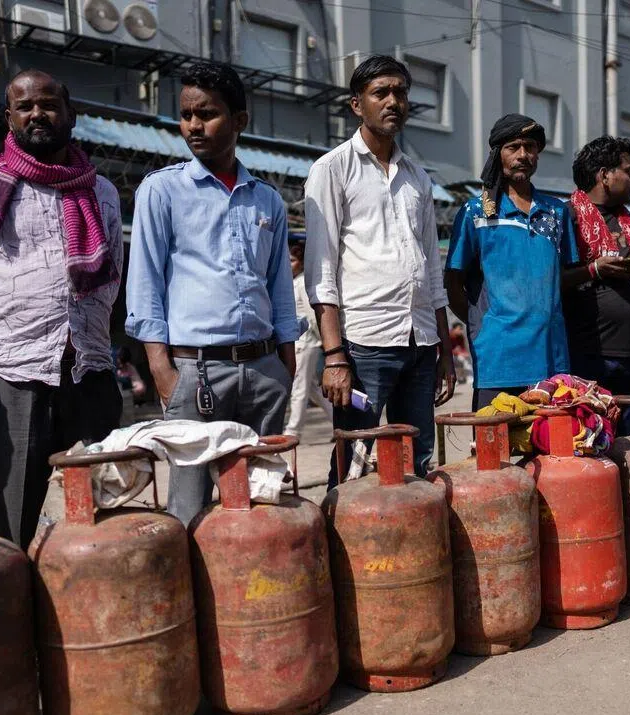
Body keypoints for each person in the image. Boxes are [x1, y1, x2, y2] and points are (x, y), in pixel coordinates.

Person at [0, 70, 123, 549]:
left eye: (48, 104)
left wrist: (88, 338)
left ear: (70, 115)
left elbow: (112, 278)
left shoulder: (101, 191)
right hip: (17, 377)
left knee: (103, 517)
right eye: (24, 106)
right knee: (13, 521)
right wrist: (11, 342)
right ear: (9, 117)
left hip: (90, 372)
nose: (37, 114)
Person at [126, 61, 299, 524]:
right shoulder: (161, 191)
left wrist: (285, 360)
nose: (194, 126)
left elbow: (280, 284)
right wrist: (161, 369)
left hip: (263, 372)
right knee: (189, 507)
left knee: (261, 499)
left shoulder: (267, 199)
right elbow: (144, 285)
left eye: (207, 114)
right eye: (186, 115)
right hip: (194, 371)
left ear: (239, 121)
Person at [303, 55, 455, 483]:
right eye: (381, 92)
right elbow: (321, 272)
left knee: (416, 463)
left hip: (420, 341)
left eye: (401, 92)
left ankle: (413, 549)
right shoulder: (331, 170)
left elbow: (431, 271)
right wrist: (335, 357)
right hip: (365, 345)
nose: (393, 101)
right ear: (357, 105)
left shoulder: (418, 178)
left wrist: (444, 349)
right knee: (351, 467)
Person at [446, 114, 579, 409]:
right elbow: (453, 282)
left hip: (551, 359)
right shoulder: (476, 212)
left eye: (530, 147)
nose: (523, 155)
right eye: (513, 147)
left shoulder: (557, 213)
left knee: (549, 451)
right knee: (497, 450)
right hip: (498, 360)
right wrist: (482, 324)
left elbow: (565, 280)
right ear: (498, 153)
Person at [561, 135, 630, 433]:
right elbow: (552, 281)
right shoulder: (568, 217)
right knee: (594, 443)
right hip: (589, 358)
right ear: (604, 175)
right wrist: (595, 269)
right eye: (628, 170)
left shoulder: (626, 221)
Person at [284, 233, 333, 438]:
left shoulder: (303, 282)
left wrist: (323, 341)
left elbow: (312, 315)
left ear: (302, 262)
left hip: (307, 343)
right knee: (312, 389)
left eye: (293, 260)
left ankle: (292, 431)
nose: (290, 264)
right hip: (299, 343)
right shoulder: (293, 282)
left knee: (299, 387)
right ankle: (338, 421)